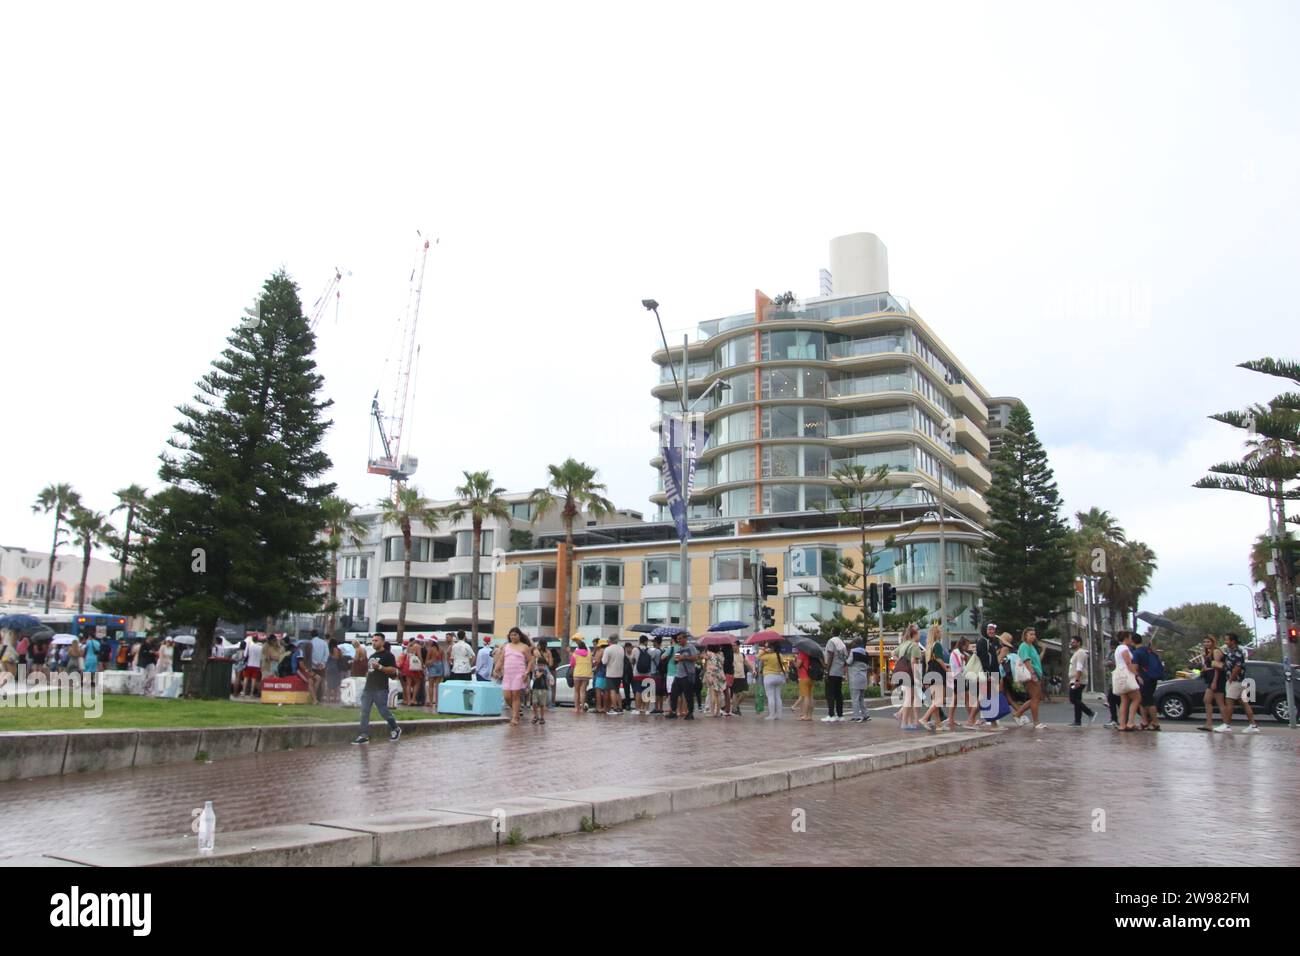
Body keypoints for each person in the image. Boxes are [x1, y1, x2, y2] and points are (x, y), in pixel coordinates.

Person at [352, 633, 401, 744]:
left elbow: (393, 670)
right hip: (369, 688)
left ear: (382, 642)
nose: (374, 642)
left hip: (381, 688)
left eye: (376, 640)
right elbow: (370, 671)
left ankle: (395, 728)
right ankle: (363, 735)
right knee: (364, 711)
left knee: (383, 711)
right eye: (373, 640)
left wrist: (380, 667)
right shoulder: (372, 655)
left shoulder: (388, 655)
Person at [1219, 632, 1260, 733]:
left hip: (1236, 681)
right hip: (1239, 681)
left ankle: (1227, 725)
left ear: (1233, 641)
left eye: (1227, 640)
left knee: (1229, 702)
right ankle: (1253, 725)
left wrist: (1231, 679)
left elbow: (1237, 667)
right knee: (1244, 703)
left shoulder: (1237, 653)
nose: (1225, 642)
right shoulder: (1231, 652)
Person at [1010, 628, 1046, 729]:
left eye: (1034, 634)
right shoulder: (1024, 646)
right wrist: (1032, 674)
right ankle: (1036, 722)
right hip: (1030, 675)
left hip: (1036, 673)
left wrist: (1043, 650)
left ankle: (1017, 714)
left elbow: (1037, 660)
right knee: (1035, 698)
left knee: (1036, 698)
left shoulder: (1032, 647)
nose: (1033, 636)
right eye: (1030, 634)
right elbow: (1026, 660)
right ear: (1025, 635)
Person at [496, 627, 531, 726]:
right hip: (507, 674)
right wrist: (496, 669)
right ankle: (516, 710)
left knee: (516, 695)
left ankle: (515, 717)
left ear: (519, 636)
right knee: (507, 696)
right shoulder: (506, 646)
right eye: (511, 635)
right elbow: (501, 659)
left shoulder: (524, 647)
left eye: (515, 634)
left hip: (519, 674)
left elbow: (530, 661)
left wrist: (527, 672)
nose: (513, 636)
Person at [918, 635, 950, 732]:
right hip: (938, 673)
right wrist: (947, 669)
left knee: (935, 701)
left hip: (930, 673)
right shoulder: (937, 645)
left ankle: (938, 724)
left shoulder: (929, 647)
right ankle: (924, 718)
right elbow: (939, 659)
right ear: (937, 634)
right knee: (939, 700)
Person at [1130, 633, 1162, 731]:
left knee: (1148, 701)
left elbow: (1135, 667)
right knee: (1142, 700)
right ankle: (1144, 722)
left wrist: (1136, 675)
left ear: (1132, 641)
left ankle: (1156, 723)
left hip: (1143, 679)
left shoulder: (1137, 653)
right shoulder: (1148, 650)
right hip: (1152, 678)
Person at [1112, 631, 1142, 731]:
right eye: (1129, 637)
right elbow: (1128, 663)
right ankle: (1130, 722)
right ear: (1125, 638)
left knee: (1124, 700)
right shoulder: (1124, 648)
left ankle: (1122, 724)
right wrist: (1137, 675)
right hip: (1126, 675)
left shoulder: (1117, 649)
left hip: (1119, 675)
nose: (1131, 639)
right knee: (1137, 698)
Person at [1199, 636, 1228, 733]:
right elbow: (1209, 666)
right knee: (1207, 700)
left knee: (1220, 702)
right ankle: (1209, 724)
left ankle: (1226, 724)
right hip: (1210, 679)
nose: (1206, 644)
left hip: (1217, 679)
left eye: (1208, 642)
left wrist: (1215, 681)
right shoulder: (1208, 653)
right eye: (1204, 642)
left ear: (1213, 642)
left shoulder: (1216, 651)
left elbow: (1217, 667)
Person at [666, 633, 698, 720]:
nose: (678, 640)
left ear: (685, 639)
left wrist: (684, 658)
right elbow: (676, 660)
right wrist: (675, 659)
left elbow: (695, 657)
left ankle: (690, 713)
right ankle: (673, 711)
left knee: (688, 695)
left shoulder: (690, 647)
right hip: (678, 675)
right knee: (673, 694)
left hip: (687, 675)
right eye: (677, 639)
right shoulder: (679, 648)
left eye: (680, 638)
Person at [1066, 636, 1096, 726]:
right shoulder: (1077, 653)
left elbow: (1079, 667)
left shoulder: (1080, 653)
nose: (1072, 643)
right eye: (1071, 642)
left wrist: (1077, 680)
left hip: (1078, 680)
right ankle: (1077, 720)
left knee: (1073, 698)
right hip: (1074, 679)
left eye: (1074, 642)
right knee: (1077, 699)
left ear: (1079, 643)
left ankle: (1090, 713)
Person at [822, 631, 848, 722]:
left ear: (832, 633)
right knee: (838, 694)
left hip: (832, 671)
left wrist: (827, 670)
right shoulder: (842, 643)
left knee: (830, 693)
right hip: (839, 672)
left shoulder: (831, 641)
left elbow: (830, 655)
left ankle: (831, 715)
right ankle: (840, 715)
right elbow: (845, 658)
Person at [946, 636, 972, 730]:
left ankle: (951, 719)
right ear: (962, 645)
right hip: (958, 677)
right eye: (967, 645)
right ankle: (971, 719)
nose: (967, 648)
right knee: (967, 699)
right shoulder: (957, 653)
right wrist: (965, 661)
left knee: (956, 700)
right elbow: (960, 667)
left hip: (957, 677)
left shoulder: (959, 653)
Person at [757, 641, 787, 720]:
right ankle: (779, 715)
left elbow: (758, 657)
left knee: (770, 697)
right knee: (778, 696)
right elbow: (785, 665)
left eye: (769, 647)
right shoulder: (780, 655)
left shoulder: (768, 656)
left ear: (772, 647)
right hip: (779, 677)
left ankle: (772, 715)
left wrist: (764, 651)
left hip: (769, 677)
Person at [847, 638, 872, 723]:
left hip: (855, 677)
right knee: (861, 698)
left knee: (855, 698)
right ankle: (866, 715)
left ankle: (857, 716)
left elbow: (849, 662)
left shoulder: (853, 651)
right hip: (863, 677)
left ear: (855, 643)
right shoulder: (865, 653)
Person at [601, 637, 626, 715]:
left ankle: (614, 708)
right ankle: (620, 708)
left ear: (610, 641)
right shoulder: (621, 648)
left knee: (612, 690)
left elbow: (604, 661)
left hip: (611, 673)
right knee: (617, 690)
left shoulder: (608, 649)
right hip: (619, 673)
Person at [529, 641, 551, 725]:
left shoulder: (545, 671)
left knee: (542, 705)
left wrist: (541, 673)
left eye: (542, 665)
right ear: (537, 664)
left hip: (543, 689)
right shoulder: (535, 669)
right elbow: (534, 676)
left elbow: (547, 677)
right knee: (534, 703)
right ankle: (535, 716)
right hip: (535, 688)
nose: (541, 666)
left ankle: (542, 717)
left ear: (545, 665)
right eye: (539, 665)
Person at [632, 636, 655, 715]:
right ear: (646, 641)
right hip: (647, 674)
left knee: (638, 691)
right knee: (647, 691)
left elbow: (632, 660)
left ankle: (638, 709)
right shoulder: (650, 650)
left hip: (637, 673)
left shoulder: (635, 649)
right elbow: (652, 659)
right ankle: (646, 709)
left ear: (639, 641)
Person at [570, 638, 592, 714]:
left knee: (576, 691)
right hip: (586, 674)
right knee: (583, 691)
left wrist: (572, 672)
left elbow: (572, 664)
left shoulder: (575, 653)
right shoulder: (589, 653)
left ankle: (576, 708)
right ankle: (582, 708)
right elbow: (591, 662)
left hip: (577, 673)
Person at [703, 644, 725, 717]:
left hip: (711, 675)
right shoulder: (721, 654)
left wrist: (705, 650)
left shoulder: (709, 653)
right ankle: (718, 712)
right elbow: (722, 663)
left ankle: (712, 712)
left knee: (712, 694)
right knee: (718, 694)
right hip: (720, 675)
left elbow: (702, 658)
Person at [730, 642, 751, 715]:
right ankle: (735, 709)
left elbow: (747, 663)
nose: (733, 647)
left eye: (734, 645)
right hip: (734, 676)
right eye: (732, 646)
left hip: (742, 676)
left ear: (738, 646)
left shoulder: (742, 655)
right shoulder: (730, 655)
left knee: (745, 693)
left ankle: (735, 706)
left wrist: (753, 670)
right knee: (735, 694)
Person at [424, 638, 445, 710]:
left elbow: (427, 661)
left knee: (431, 686)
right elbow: (443, 660)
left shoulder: (430, 649)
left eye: (430, 641)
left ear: (432, 642)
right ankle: (437, 702)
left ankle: (430, 702)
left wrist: (428, 663)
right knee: (438, 686)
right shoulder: (441, 649)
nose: (429, 642)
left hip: (432, 667)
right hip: (440, 667)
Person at [651, 635, 668, 714]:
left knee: (656, 692)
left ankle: (656, 707)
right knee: (660, 692)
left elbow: (649, 658)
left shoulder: (654, 651)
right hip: (662, 673)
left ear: (656, 642)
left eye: (654, 642)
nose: (653, 644)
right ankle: (661, 708)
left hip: (655, 673)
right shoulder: (663, 651)